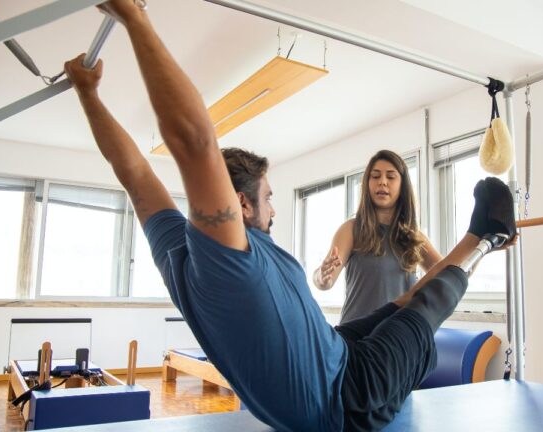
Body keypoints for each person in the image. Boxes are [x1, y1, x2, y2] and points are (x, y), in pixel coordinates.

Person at [64, 1, 516, 431]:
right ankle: (485, 239)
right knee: (424, 310)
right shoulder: (225, 258)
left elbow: (135, 173)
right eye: (269, 197)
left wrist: (88, 94)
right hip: (348, 400)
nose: (276, 209)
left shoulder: (175, 247)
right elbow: (193, 140)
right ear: (241, 205)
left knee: (397, 306)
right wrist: (134, 16)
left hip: (337, 351)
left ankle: (479, 236)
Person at [313, 150, 442, 323]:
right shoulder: (351, 229)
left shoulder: (414, 237)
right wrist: (321, 275)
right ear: (367, 183)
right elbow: (324, 282)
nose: (382, 182)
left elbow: (451, 273)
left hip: (397, 338)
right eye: (375, 176)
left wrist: (481, 245)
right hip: (358, 339)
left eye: (390, 177)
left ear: (402, 185)